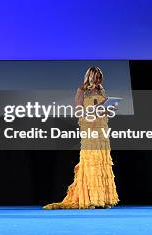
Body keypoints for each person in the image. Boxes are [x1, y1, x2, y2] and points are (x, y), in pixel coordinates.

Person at [43, 66, 119, 210]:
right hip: (90, 130)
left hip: (102, 130)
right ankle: (90, 199)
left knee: (102, 162)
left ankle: (103, 199)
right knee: (91, 162)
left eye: (100, 77)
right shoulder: (81, 91)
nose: (99, 80)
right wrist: (93, 111)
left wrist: (109, 108)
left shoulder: (102, 91)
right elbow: (79, 112)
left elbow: (105, 112)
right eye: (96, 77)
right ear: (90, 77)